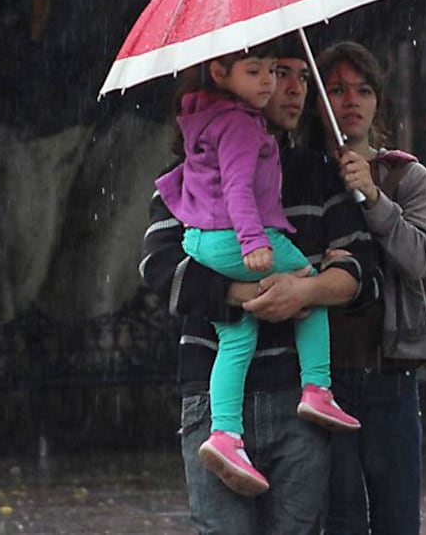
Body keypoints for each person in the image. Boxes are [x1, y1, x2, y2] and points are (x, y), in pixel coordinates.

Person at [141, 39, 379, 534]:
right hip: (213, 395)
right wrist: (244, 295)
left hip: (297, 395)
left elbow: (363, 275)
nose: (290, 89)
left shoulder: (315, 175)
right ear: (234, 82)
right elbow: (160, 269)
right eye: (274, 73)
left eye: (299, 76)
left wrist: (306, 293)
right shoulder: (189, 178)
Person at [308, 41, 426, 535]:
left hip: (390, 373)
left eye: (363, 90)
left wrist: (373, 197)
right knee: (339, 517)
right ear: (318, 101)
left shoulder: (407, 176)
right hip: (325, 377)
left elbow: (419, 259)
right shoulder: (302, 178)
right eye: (337, 89)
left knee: (397, 517)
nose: (351, 101)